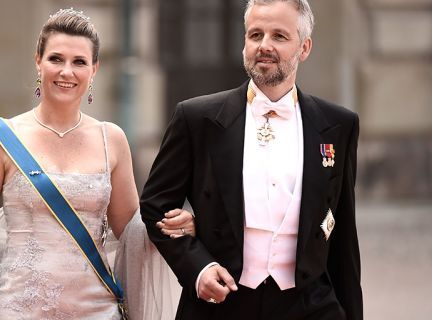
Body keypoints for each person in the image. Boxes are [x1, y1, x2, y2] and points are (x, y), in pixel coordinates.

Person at [0, 8, 196, 320]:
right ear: (38, 60)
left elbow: (132, 234)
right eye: (56, 59)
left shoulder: (111, 139)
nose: (66, 71)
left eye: (79, 62)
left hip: (96, 311)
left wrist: (174, 226)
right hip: (16, 310)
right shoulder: (0, 138)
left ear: (94, 69)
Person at [141, 0, 362, 319]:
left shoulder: (338, 125)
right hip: (222, 305)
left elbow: (343, 239)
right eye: (255, 34)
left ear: (305, 47)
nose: (264, 46)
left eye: (279, 36)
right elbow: (155, 205)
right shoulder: (196, 118)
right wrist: (199, 268)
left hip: (310, 307)